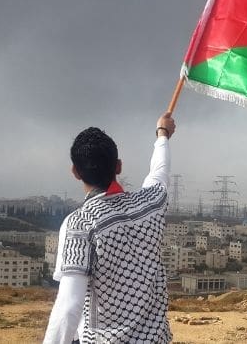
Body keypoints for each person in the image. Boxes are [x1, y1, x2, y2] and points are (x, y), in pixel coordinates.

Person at [43, 112, 175, 344]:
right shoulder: (150, 205)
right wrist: (162, 135)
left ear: (74, 171)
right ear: (119, 167)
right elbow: (159, 172)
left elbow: (68, 307)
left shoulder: (81, 223)